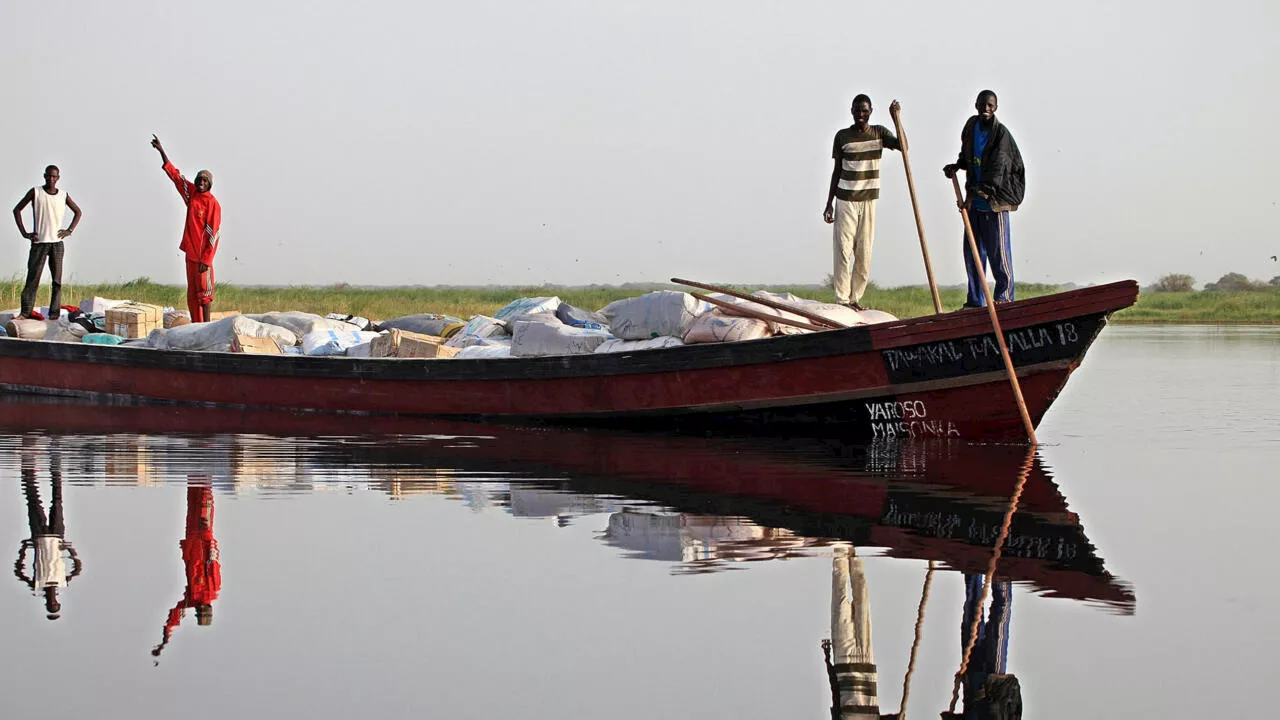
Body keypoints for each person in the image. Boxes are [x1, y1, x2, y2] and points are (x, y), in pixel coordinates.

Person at [943, 90, 1025, 308]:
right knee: (973, 254)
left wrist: (984, 189)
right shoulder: (971, 126)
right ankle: (976, 301)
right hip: (974, 201)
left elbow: (999, 167)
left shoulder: (1001, 134)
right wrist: (957, 166)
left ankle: (1004, 298)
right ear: (976, 105)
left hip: (995, 202)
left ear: (995, 108)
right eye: (982, 105)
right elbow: (967, 155)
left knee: (999, 253)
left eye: (990, 106)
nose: (985, 109)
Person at [823, 95, 902, 311]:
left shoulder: (879, 133)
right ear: (851, 111)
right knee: (843, 250)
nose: (860, 115)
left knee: (864, 252)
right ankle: (842, 299)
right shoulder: (842, 136)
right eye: (857, 110)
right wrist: (829, 203)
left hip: (868, 201)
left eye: (864, 111)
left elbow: (903, 146)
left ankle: (855, 298)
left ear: (870, 112)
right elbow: (837, 170)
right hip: (845, 199)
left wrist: (896, 119)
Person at [150, 135, 221, 323]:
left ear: (210, 184)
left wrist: (207, 259)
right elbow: (175, 176)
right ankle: (196, 326)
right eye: (199, 179)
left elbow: (214, 233)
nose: (201, 183)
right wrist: (161, 151)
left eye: (205, 181)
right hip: (190, 254)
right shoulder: (192, 195)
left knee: (204, 294)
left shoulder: (213, 204)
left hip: (203, 258)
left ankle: (206, 327)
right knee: (192, 295)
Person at [13, 440, 82, 620]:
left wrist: (24, 548)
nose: (52, 601)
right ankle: (55, 456)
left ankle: (27, 460)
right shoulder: (62, 582)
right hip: (57, 537)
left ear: (46, 602)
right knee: (57, 497)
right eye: (55, 604)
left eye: (50, 604)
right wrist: (69, 548)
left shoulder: (37, 585)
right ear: (58, 601)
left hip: (39, 536)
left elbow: (18, 571)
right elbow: (78, 568)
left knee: (32, 497)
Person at [152, 481, 222, 660]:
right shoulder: (210, 590)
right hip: (200, 536)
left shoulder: (194, 598)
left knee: (195, 493)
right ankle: (202, 461)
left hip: (193, 538)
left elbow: (176, 614)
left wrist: (165, 637)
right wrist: (165, 637)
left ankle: (197, 464)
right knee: (202, 491)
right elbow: (213, 560)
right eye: (201, 613)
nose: (199, 611)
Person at [12, 166, 83, 319]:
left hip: (57, 243)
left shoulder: (63, 195)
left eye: (54, 177)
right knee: (33, 279)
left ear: (58, 178)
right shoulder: (36, 192)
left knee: (57, 281)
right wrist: (25, 233)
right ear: (44, 176)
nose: (51, 179)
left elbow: (78, 212)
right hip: (39, 242)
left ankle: (54, 313)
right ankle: (25, 312)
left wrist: (69, 230)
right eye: (48, 176)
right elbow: (17, 210)